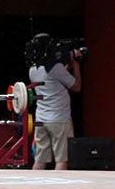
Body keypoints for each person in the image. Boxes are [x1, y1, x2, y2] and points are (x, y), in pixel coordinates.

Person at [28, 33, 82, 170]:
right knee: (62, 159)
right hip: (59, 120)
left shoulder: (33, 70)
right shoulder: (54, 69)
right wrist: (75, 64)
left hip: (41, 119)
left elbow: (54, 77)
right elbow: (76, 86)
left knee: (40, 160)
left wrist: (66, 66)